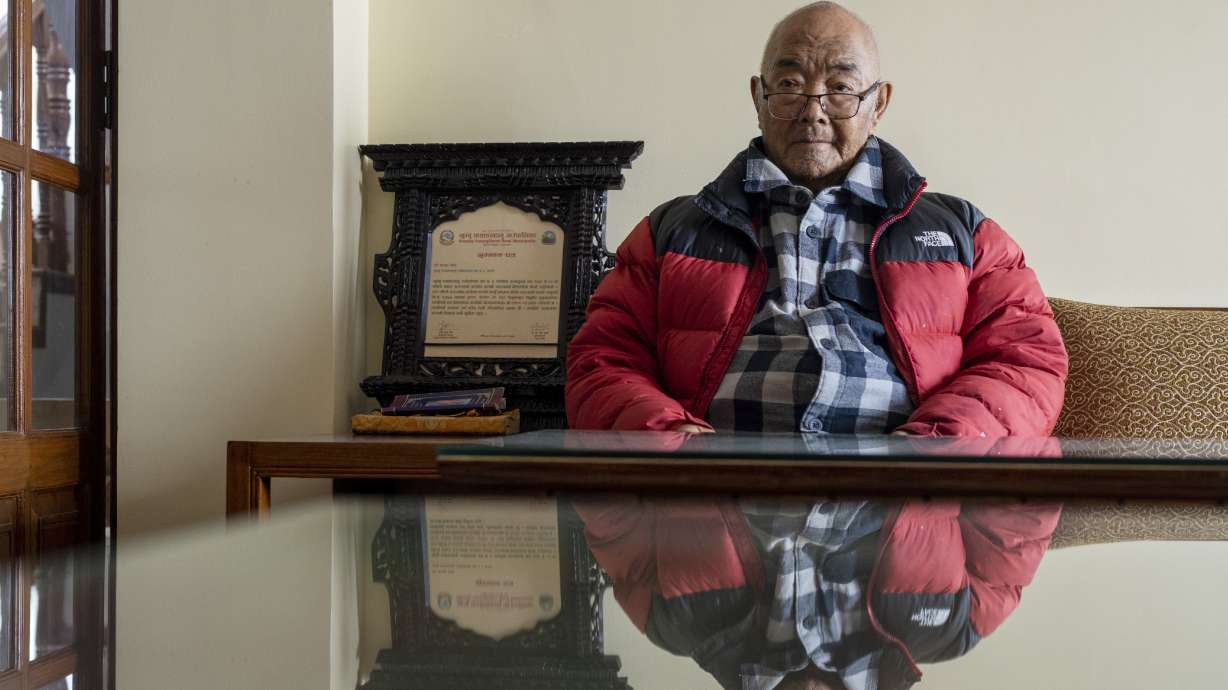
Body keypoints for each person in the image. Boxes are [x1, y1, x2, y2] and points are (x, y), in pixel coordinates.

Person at [565, 1, 1068, 437]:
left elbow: (1025, 360)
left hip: (903, 504)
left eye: (842, 87)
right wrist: (671, 441)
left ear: (879, 103)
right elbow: (602, 360)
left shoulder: (964, 233)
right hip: (712, 506)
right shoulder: (670, 231)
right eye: (789, 85)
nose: (814, 109)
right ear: (759, 98)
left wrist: (934, 448)